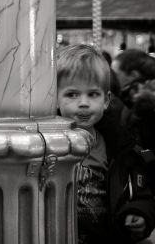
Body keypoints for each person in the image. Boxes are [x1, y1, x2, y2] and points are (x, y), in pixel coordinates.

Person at [56, 44, 155, 244]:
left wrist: (138, 212)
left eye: (92, 94)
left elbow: (140, 191)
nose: (83, 102)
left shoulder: (121, 150)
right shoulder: (47, 144)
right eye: (72, 94)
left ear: (106, 100)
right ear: (55, 98)